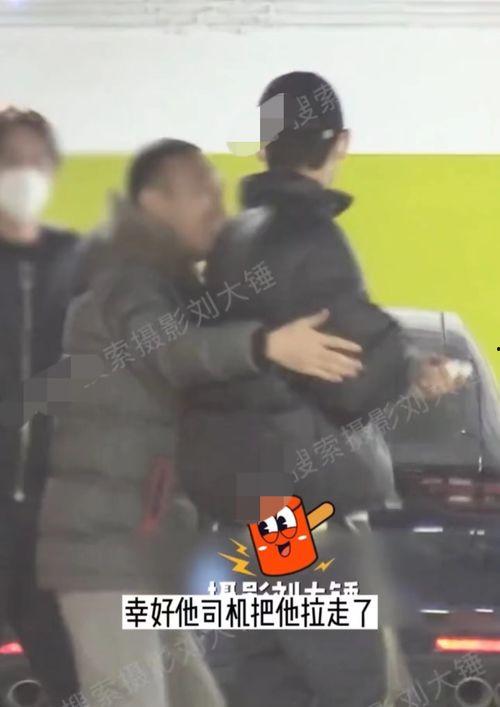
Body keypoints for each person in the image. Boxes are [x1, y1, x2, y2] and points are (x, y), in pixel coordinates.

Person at [36, 138, 363, 707]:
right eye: (201, 193)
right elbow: (173, 352)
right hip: (104, 554)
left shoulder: (183, 290)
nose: (219, 206)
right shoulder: (125, 282)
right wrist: (264, 344)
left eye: (219, 191)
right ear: (154, 202)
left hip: (153, 550)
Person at [177, 72, 464, 706]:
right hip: (294, 509)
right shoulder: (312, 236)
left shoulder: (232, 239)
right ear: (341, 143)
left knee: (262, 679)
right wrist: (415, 371)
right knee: (352, 678)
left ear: (263, 146)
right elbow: (351, 374)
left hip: (242, 502)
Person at [0, 107, 81, 704]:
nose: (24, 174)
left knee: (66, 670)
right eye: (10, 161)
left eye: (35, 160)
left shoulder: (76, 261)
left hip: (56, 510)